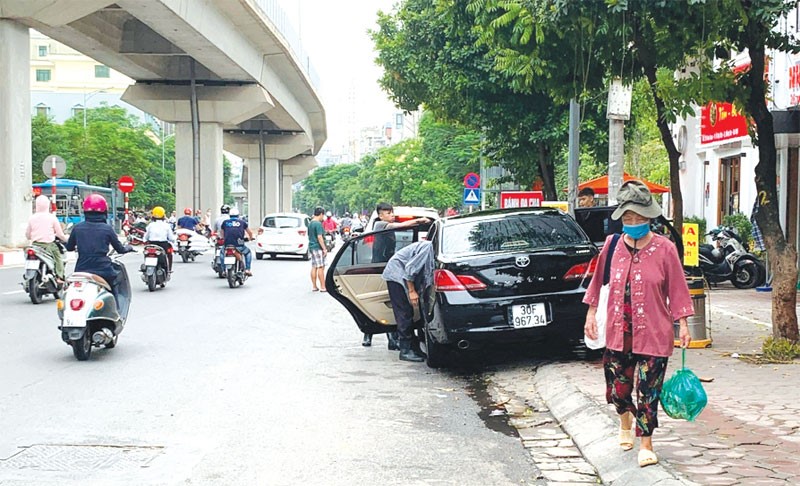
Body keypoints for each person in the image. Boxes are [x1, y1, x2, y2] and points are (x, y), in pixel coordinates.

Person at [582, 180, 693, 468]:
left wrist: (683, 323)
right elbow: (598, 282)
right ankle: (624, 419)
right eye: (628, 218)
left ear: (649, 217)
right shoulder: (612, 245)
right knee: (618, 390)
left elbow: (678, 288)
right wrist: (591, 314)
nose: (633, 222)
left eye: (639, 217)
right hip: (618, 332)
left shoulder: (665, 249)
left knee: (649, 390)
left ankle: (646, 442)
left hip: (655, 333)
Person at [364, 202, 430, 348]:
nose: (391, 216)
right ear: (380, 215)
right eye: (388, 213)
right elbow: (397, 226)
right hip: (379, 267)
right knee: (378, 302)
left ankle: (394, 339)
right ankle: (368, 334)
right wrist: (418, 221)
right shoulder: (379, 225)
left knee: (393, 304)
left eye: (392, 213)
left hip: (393, 267)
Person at [65, 194, 133, 303]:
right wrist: (128, 248)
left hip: (81, 269)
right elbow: (120, 249)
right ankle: (116, 309)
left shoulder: (77, 228)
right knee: (114, 284)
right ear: (104, 212)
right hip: (103, 269)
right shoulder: (107, 229)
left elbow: (69, 247)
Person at [381, 240, 435, 362]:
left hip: (402, 273)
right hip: (397, 275)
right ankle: (405, 350)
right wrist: (412, 291)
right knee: (404, 312)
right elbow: (410, 269)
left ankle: (413, 347)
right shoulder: (428, 248)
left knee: (409, 312)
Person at [26, 195, 68, 283]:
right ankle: (59, 277)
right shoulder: (52, 218)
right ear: (47, 205)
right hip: (49, 246)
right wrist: (66, 239)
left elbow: (28, 235)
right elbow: (60, 234)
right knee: (58, 258)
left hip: (35, 246)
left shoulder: (32, 218)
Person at [220, 207, 253, 276]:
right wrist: (250, 238)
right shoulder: (242, 222)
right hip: (239, 245)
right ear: (238, 215)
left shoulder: (225, 222)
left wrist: (223, 239)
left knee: (222, 253)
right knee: (248, 252)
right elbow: (250, 232)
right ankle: (247, 269)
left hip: (227, 245)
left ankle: (223, 270)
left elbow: (222, 233)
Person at [143, 206, 175, 272]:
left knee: (146, 253)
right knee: (169, 254)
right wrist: (173, 240)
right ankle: (168, 270)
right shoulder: (166, 225)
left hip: (151, 245)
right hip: (163, 245)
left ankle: (145, 268)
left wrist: (145, 241)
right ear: (163, 215)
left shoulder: (150, 225)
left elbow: (146, 237)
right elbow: (171, 238)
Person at [308, 207, 327, 292]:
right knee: (320, 266)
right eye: (323, 215)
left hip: (312, 246)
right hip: (317, 247)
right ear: (321, 214)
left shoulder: (310, 223)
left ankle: (314, 286)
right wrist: (324, 249)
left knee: (314, 266)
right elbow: (320, 237)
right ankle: (323, 287)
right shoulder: (318, 224)